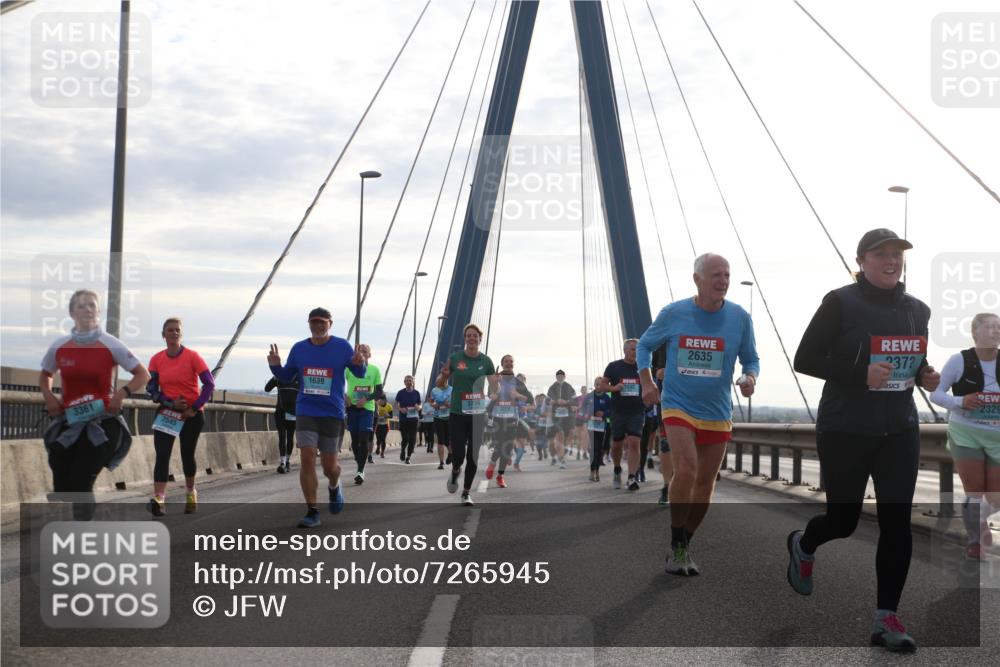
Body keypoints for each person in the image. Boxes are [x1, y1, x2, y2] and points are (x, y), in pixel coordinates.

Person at [787, 229, 940, 652]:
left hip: (899, 430)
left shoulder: (918, 310)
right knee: (844, 520)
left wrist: (925, 374)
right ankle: (804, 544)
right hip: (846, 428)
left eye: (898, 254)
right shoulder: (840, 302)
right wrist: (859, 374)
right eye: (882, 254)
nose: (892, 261)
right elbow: (805, 358)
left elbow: (913, 359)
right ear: (862, 260)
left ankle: (885, 618)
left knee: (897, 523)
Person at [638, 253, 759, 577]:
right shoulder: (674, 313)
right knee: (687, 471)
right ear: (697, 279)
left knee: (706, 484)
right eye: (716, 275)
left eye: (727, 275)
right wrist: (647, 381)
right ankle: (677, 541)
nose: (723, 281)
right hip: (678, 406)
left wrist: (749, 378)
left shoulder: (739, 317)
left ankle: (684, 542)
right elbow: (644, 346)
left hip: (717, 411)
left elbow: (751, 359)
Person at [39, 289, 149, 521]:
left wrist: (121, 395)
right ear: (72, 312)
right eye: (82, 306)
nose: (88, 309)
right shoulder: (60, 346)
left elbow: (142, 374)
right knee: (60, 465)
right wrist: (49, 396)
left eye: (92, 305)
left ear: (99, 312)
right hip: (70, 421)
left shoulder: (110, 344)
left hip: (103, 423)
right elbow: (45, 374)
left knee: (81, 479)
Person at [267, 307, 366, 528]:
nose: (318, 326)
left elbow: (359, 374)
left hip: (332, 412)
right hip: (306, 411)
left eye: (322, 322)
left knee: (329, 467)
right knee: (307, 456)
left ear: (330, 323)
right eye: (313, 322)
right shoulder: (299, 348)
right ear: (309, 324)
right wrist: (275, 365)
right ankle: (312, 511)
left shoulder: (341, 346)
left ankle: (334, 485)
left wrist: (361, 363)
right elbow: (286, 375)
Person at [930, 312, 1000, 560]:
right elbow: (936, 394)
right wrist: (961, 401)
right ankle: (974, 542)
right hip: (966, 433)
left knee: (995, 495)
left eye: (998, 327)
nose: (995, 331)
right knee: (974, 489)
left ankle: (978, 520)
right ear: (975, 333)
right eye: (990, 327)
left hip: (997, 436)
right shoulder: (959, 360)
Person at [146, 318, 216, 516]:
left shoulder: (193, 356)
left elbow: (209, 384)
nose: (174, 333)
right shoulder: (156, 359)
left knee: (187, 455)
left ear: (181, 334)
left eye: (177, 330)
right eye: (170, 330)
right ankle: (159, 499)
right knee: (162, 455)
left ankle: (190, 493)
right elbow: (151, 389)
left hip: (191, 414)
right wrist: (170, 403)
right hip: (167, 412)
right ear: (164, 335)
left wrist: (194, 407)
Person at [436, 323, 497, 506]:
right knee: (459, 456)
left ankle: (466, 492)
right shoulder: (455, 358)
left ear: (480, 339)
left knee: (473, 456)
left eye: (475, 336)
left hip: (478, 415)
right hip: (457, 414)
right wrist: (445, 376)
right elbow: (440, 383)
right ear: (465, 339)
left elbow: (495, 388)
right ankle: (455, 471)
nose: (471, 338)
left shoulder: (486, 361)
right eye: (468, 336)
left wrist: (495, 387)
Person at [602, 339, 647, 491]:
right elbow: (602, 386)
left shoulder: (643, 367)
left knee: (635, 443)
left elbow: (651, 384)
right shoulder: (614, 366)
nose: (636, 352)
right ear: (625, 350)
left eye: (638, 349)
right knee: (617, 444)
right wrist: (614, 388)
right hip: (618, 412)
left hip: (636, 411)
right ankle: (616, 468)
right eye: (633, 349)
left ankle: (632, 477)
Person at [485, 355, 532, 488]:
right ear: (502, 364)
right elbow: (491, 394)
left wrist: (518, 395)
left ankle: (500, 476)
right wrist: (495, 387)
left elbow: (529, 399)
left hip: (512, 418)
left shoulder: (518, 382)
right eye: (506, 361)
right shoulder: (496, 378)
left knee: (508, 447)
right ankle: (492, 463)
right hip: (498, 418)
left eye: (511, 362)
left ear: (513, 364)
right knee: (500, 445)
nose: (509, 363)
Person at [345, 343, 382, 484]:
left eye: (365, 351)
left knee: (363, 439)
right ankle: (359, 462)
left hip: (367, 409)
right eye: (360, 351)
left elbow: (379, 392)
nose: (362, 353)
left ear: (369, 355)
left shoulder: (374, 370)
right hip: (352, 408)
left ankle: (360, 471)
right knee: (355, 442)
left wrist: (366, 398)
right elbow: (337, 382)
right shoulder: (349, 369)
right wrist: (344, 396)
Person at [265, 374, 299, 473]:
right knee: (282, 436)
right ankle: (282, 462)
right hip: (280, 412)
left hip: (293, 413)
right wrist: (274, 377)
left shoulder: (300, 377)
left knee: (290, 437)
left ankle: (287, 460)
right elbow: (267, 389)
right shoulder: (280, 375)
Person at [546, 370, 576, 468]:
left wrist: (566, 401)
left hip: (569, 415)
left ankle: (565, 448)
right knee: (560, 435)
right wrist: (555, 401)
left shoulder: (569, 386)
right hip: (556, 416)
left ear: (564, 376)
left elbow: (575, 400)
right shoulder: (552, 387)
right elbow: (547, 400)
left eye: (562, 375)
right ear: (556, 377)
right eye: (558, 376)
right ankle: (562, 460)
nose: (560, 377)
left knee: (571, 434)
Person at [585, 377, 612, 482]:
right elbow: (583, 409)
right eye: (596, 384)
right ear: (594, 384)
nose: (598, 386)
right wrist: (591, 412)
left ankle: (597, 471)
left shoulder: (606, 398)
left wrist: (604, 413)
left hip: (602, 425)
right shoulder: (589, 396)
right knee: (593, 448)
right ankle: (592, 472)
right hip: (591, 425)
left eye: (600, 384)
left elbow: (611, 410)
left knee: (598, 449)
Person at [395, 375, 421, 464]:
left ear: (413, 382)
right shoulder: (400, 392)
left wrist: (418, 407)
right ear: (404, 382)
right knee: (405, 438)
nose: (408, 382)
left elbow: (419, 404)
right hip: (404, 418)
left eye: (410, 380)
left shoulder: (416, 393)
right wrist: (400, 409)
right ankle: (403, 450)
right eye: (407, 380)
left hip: (414, 418)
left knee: (412, 439)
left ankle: (408, 457)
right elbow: (396, 404)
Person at [430, 381, 452, 469]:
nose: (442, 381)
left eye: (444, 379)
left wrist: (449, 405)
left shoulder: (452, 389)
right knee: (440, 440)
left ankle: (450, 453)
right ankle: (441, 462)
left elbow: (457, 402)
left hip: (450, 417)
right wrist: (434, 405)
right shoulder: (434, 390)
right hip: (438, 417)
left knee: (448, 439)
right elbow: (431, 402)